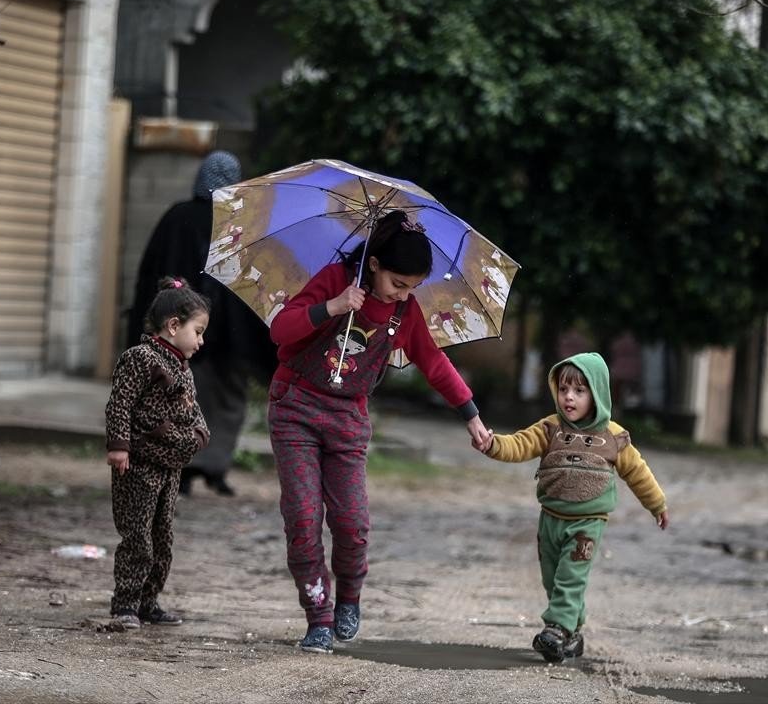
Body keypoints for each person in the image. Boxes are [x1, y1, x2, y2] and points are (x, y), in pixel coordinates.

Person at [267, 210, 492, 654]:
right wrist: (331, 307)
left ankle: (349, 596)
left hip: (349, 421)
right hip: (295, 408)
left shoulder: (404, 312)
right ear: (374, 264)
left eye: (412, 286)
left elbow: (434, 362)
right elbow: (280, 331)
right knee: (304, 517)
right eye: (397, 283)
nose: (404, 294)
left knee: (352, 524)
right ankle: (318, 615)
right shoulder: (334, 281)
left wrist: (470, 412)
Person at [472, 352, 669, 663]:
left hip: (587, 523)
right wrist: (493, 445)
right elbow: (520, 444)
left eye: (579, 390)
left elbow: (638, 472)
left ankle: (556, 630)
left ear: (597, 393)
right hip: (550, 518)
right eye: (564, 389)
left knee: (570, 577)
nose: (569, 397)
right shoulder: (551, 428)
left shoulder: (614, 437)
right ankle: (572, 634)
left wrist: (656, 504)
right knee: (552, 578)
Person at [128, 150, 276, 497]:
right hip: (232, 333)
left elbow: (151, 273)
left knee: (182, 397)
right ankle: (213, 467)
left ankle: (188, 469)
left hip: (181, 328)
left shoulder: (177, 218)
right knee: (226, 399)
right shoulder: (244, 222)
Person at [105, 277, 211, 630]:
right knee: (138, 537)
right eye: (197, 331)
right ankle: (125, 605)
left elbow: (192, 409)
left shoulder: (182, 366)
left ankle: (149, 601)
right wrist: (119, 446)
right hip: (139, 466)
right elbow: (119, 404)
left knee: (163, 539)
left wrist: (199, 434)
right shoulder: (140, 359)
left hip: (170, 467)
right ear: (174, 326)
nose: (201, 340)